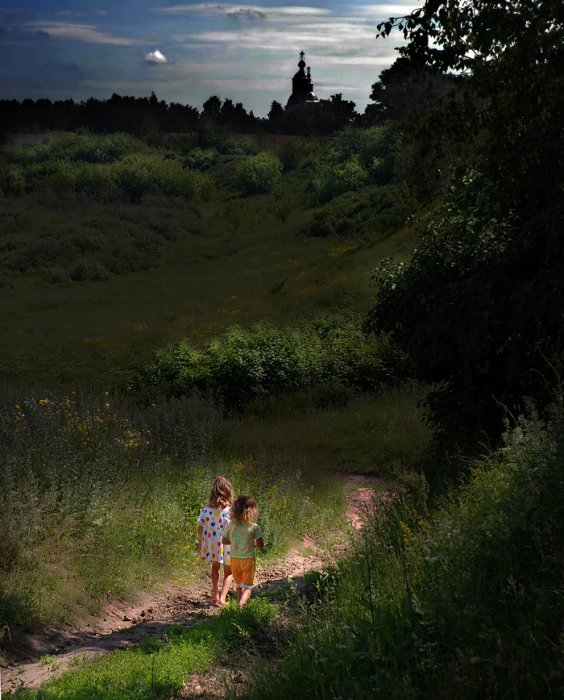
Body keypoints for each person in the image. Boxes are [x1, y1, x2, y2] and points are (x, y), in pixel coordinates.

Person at [197, 476, 233, 606]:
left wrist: (202, 542)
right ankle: (222, 598)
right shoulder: (230, 512)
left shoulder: (206, 511)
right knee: (229, 572)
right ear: (228, 491)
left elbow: (200, 529)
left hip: (213, 545)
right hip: (228, 545)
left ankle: (215, 596)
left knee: (215, 568)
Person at [222, 494, 264, 607]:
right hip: (248, 560)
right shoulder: (254, 527)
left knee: (239, 585)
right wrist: (253, 543)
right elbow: (260, 545)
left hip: (234, 559)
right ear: (251, 511)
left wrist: (235, 541)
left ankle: (239, 608)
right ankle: (241, 604)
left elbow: (224, 540)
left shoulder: (230, 525)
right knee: (248, 586)